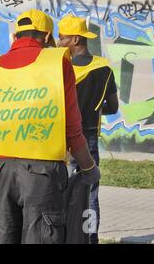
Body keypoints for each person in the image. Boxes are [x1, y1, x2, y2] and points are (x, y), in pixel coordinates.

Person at [0, 9, 101, 244]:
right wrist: (88, 166)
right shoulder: (56, 64)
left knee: (1, 236)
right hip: (43, 174)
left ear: (14, 37)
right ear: (49, 38)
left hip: (0, 169)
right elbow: (71, 127)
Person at [58, 14, 119, 244]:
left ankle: (64, 236)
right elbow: (112, 106)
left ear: (75, 39)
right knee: (90, 192)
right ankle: (89, 238)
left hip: (61, 140)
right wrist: (93, 109)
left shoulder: (59, 68)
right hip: (89, 138)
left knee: (59, 189)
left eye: (62, 38)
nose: (58, 42)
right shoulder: (104, 68)